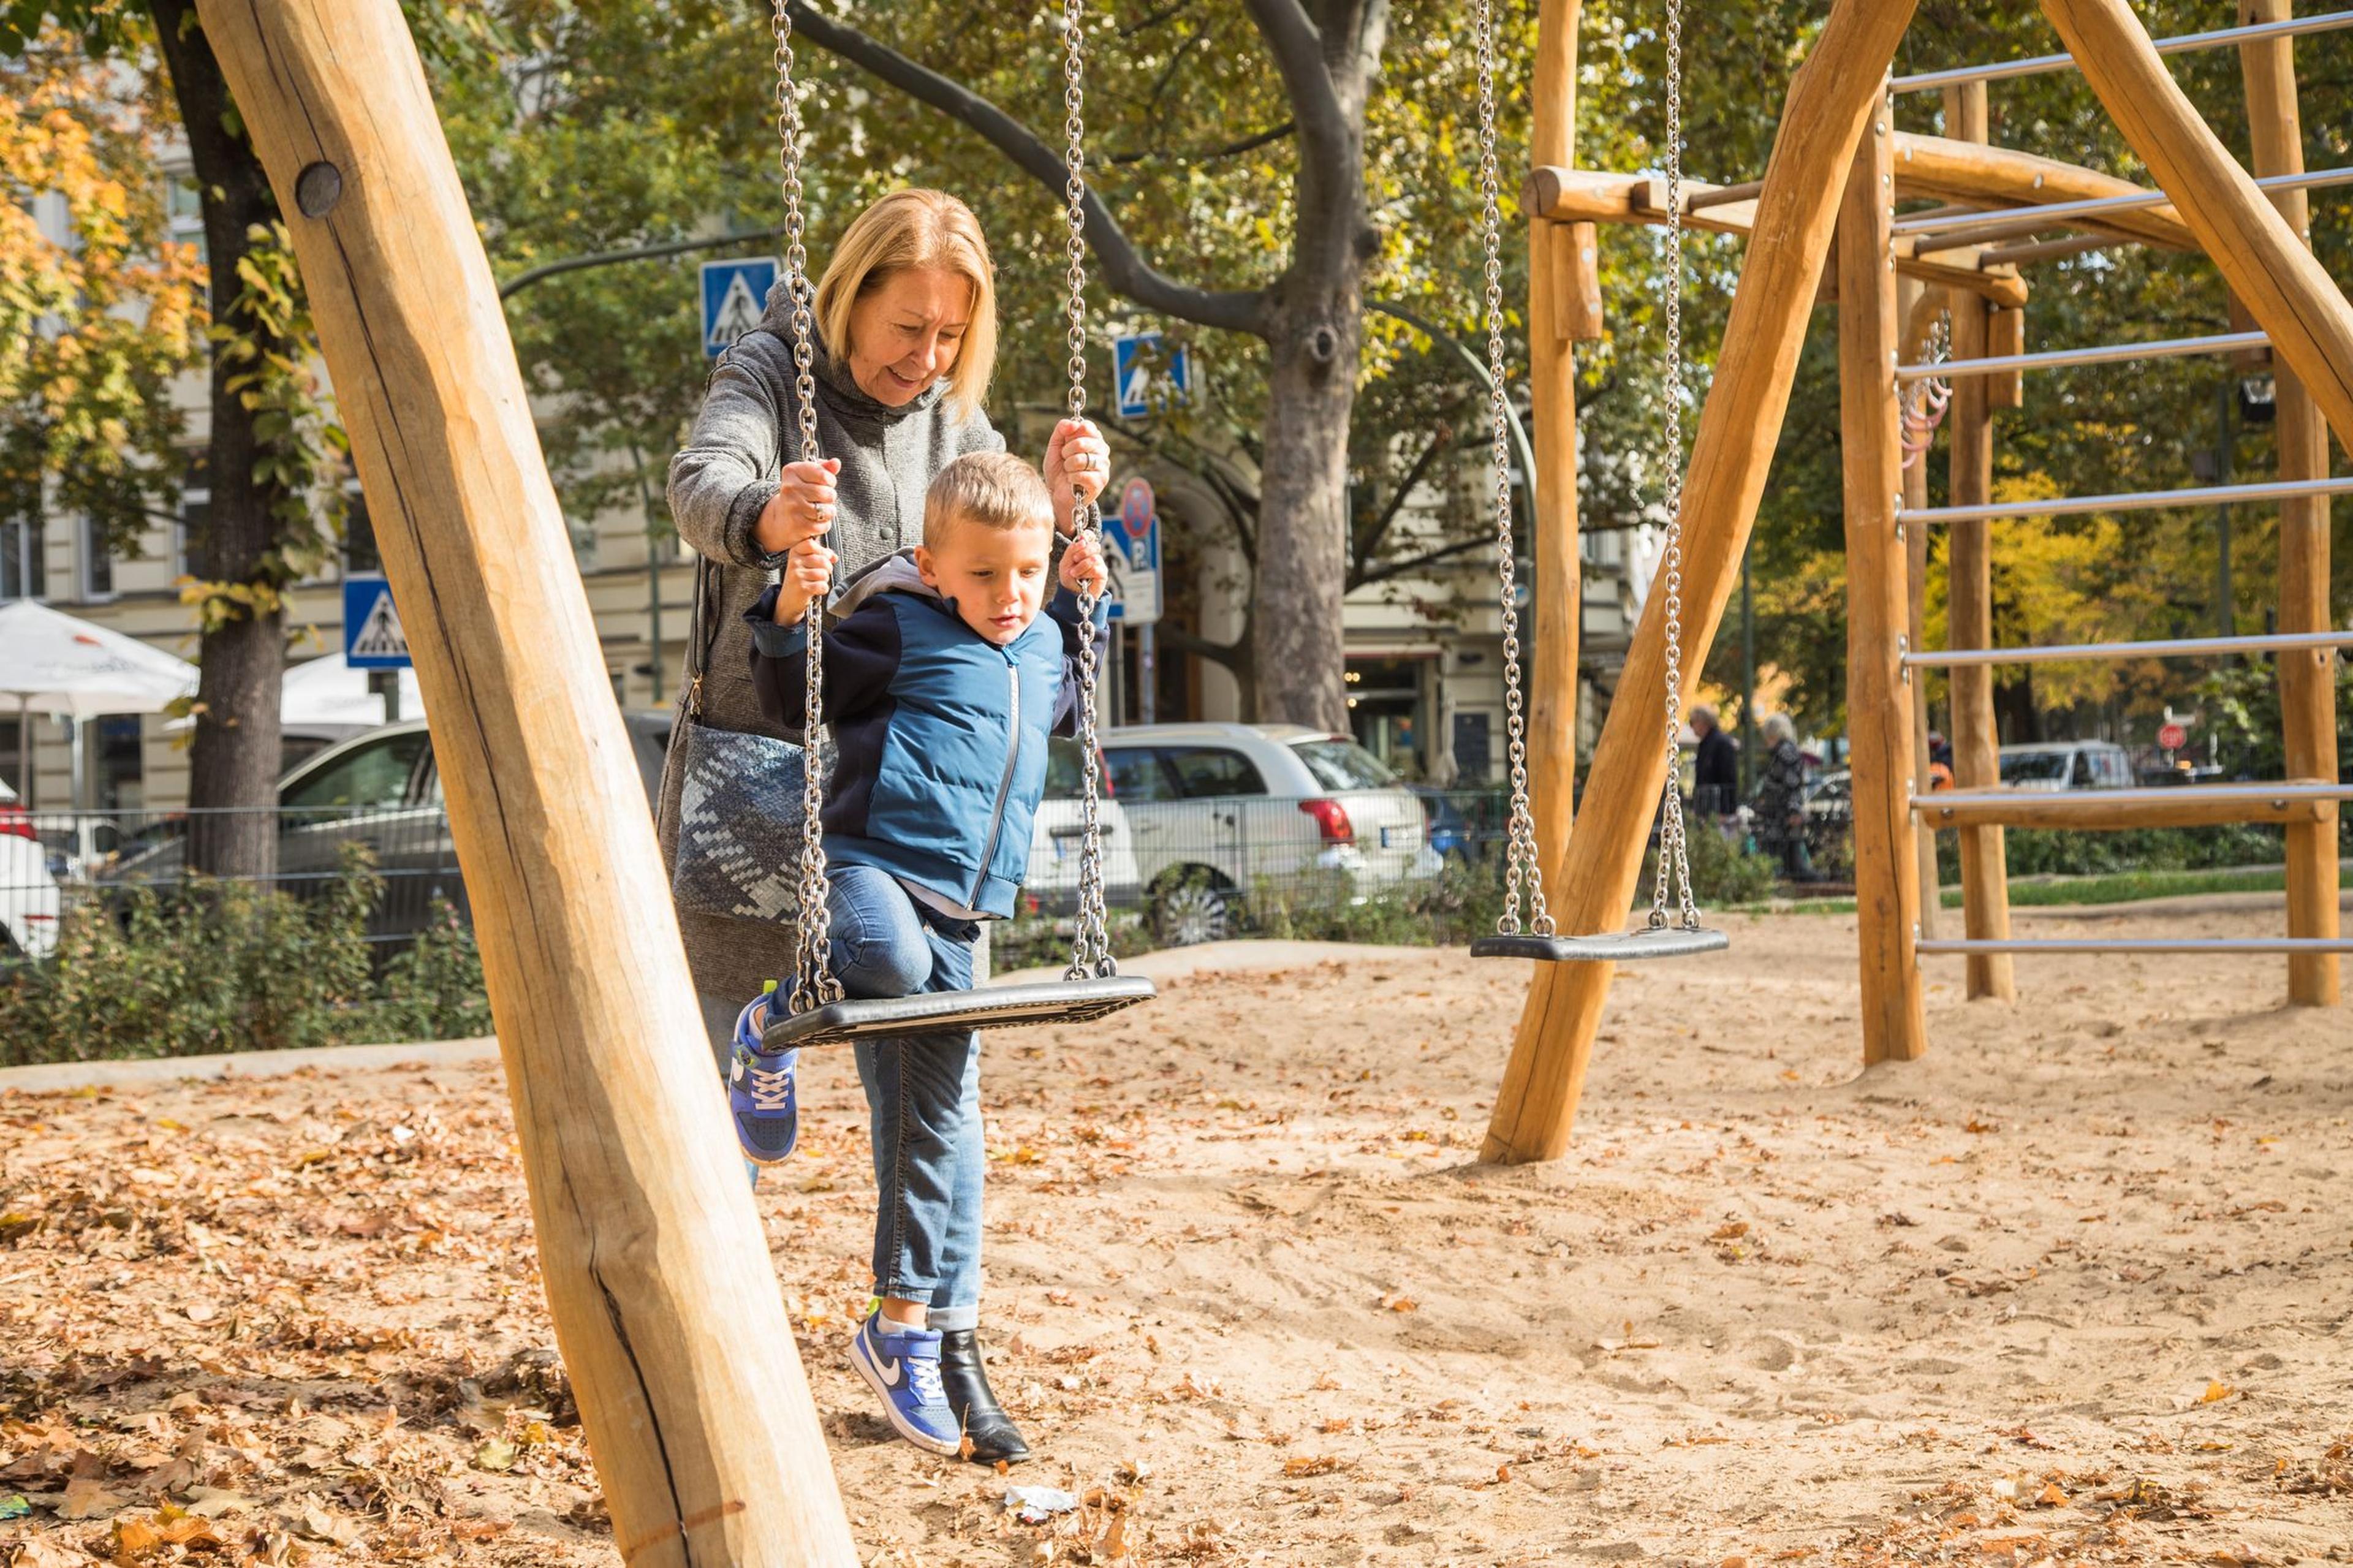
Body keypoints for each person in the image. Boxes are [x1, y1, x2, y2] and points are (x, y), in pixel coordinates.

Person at [661, 190, 1110, 1462]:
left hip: (901, 796)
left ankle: (935, 1337)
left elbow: (1003, 539)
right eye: (906, 328)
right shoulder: (771, 373)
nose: (926, 359)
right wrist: (764, 520)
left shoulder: (949, 413)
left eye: (951, 339)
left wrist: (1073, 513)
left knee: (934, 1070)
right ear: (849, 296)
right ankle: (705, 1348)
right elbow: (702, 483)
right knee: (724, 1087)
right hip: (764, 775)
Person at [729, 453, 1108, 1464]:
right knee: (883, 958)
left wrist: (1089, 608)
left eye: (1027, 571)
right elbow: (794, 696)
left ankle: (899, 1326)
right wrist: (788, 612)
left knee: (936, 1121)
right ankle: (766, 1027)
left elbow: (1069, 702)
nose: (1009, 593)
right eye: (983, 575)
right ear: (934, 567)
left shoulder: (1040, 648)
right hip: (865, 869)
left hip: (966, 914)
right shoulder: (899, 626)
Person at [1751, 712, 1817, 882]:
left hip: (1782, 814)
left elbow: (1791, 784)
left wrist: (1793, 811)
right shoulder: (1784, 751)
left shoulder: (1785, 752)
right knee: (1789, 859)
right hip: (1780, 813)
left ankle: (1816, 883)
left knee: (1788, 858)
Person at [1689, 703, 1738, 819]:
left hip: (1718, 809)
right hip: (1707, 808)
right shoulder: (1705, 744)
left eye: (1693, 723)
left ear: (1702, 722)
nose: (1692, 727)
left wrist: (1726, 811)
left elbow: (1729, 778)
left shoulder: (1722, 744)